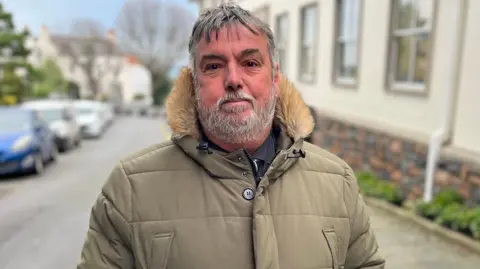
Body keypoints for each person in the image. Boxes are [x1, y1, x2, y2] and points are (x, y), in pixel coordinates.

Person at [76, 3, 385, 269]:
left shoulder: (337, 181)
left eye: (250, 63)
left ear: (275, 78)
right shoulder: (130, 188)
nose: (234, 80)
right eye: (213, 66)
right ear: (193, 83)